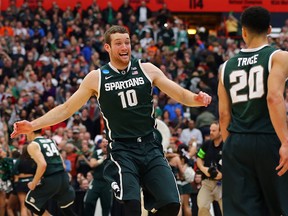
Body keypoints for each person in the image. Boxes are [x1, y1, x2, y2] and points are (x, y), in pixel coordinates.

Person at [11, 25, 211, 216]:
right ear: (107, 47)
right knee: (132, 205)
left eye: (127, 42)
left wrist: (197, 99)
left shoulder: (147, 69)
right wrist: (33, 124)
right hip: (123, 149)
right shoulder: (96, 77)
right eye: (118, 43)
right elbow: (66, 109)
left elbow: (180, 94)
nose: (125, 47)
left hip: (151, 146)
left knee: (172, 204)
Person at [218, 6, 288, 216]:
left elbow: (223, 116)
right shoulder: (279, 57)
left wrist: (230, 145)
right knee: (280, 206)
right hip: (269, 139)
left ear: (243, 32)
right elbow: (273, 98)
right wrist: (285, 142)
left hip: (237, 141)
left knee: (242, 210)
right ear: (269, 29)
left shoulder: (226, 66)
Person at [23, 129, 77, 216]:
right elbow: (63, 165)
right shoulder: (51, 141)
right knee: (66, 209)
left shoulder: (33, 145)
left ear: (31, 132)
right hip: (63, 177)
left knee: (30, 204)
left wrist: (34, 183)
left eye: (26, 132)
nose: (25, 135)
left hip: (52, 179)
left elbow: (42, 165)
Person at [196, 121, 223, 216]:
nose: (211, 132)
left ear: (220, 131)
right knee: (202, 207)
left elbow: (234, 163)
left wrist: (222, 174)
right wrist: (204, 169)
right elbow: (199, 158)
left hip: (223, 184)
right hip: (207, 182)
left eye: (214, 130)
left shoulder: (227, 145)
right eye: (210, 130)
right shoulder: (206, 144)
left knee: (227, 210)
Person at [83, 138, 112, 216]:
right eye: (103, 142)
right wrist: (102, 159)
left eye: (107, 142)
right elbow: (92, 164)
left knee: (106, 206)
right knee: (88, 201)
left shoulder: (113, 154)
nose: (105, 143)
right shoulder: (97, 152)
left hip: (107, 183)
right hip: (96, 181)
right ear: (100, 144)